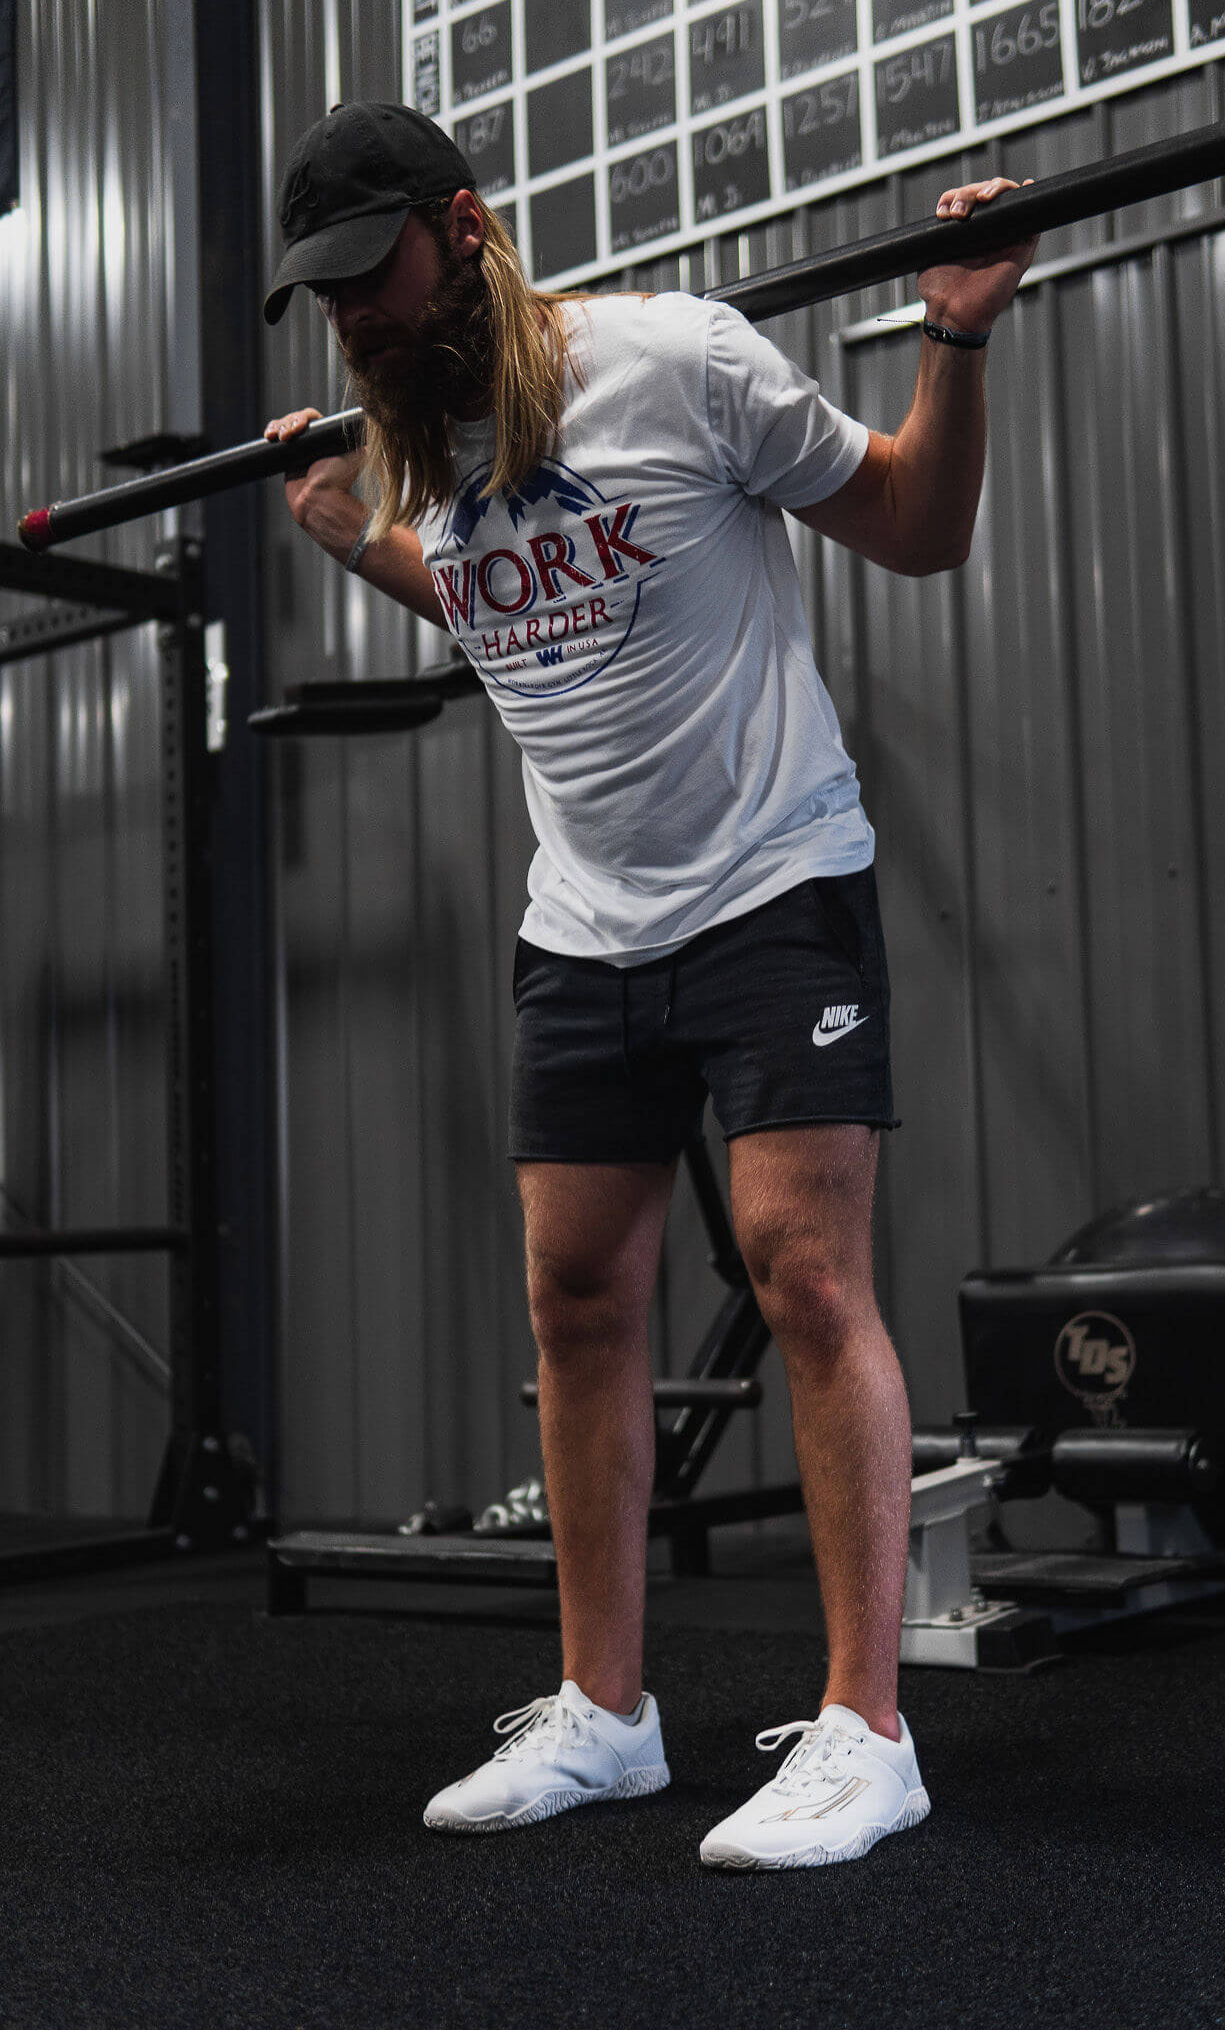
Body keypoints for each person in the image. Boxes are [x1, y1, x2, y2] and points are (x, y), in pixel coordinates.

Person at [264, 100, 1036, 1871]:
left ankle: (867, 1732)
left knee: (803, 1275)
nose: (354, 317)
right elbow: (511, 615)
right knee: (576, 1307)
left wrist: (952, 337)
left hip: (771, 885)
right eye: (324, 297)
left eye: (371, 273)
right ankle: (605, 1714)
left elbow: (916, 525)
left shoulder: (676, 360)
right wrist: (350, 533)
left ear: (463, 229)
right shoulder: (422, 443)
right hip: (581, 924)